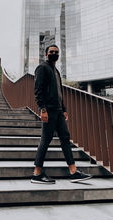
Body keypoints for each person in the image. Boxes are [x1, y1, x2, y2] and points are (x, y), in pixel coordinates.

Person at [31, 44, 92, 184]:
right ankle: (36, 173)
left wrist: (64, 109)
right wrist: (42, 109)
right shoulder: (42, 68)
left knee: (65, 137)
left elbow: (60, 93)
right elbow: (38, 90)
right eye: (51, 52)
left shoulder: (56, 71)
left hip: (58, 111)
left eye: (56, 52)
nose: (54, 53)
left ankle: (73, 171)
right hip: (49, 110)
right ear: (46, 54)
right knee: (45, 140)